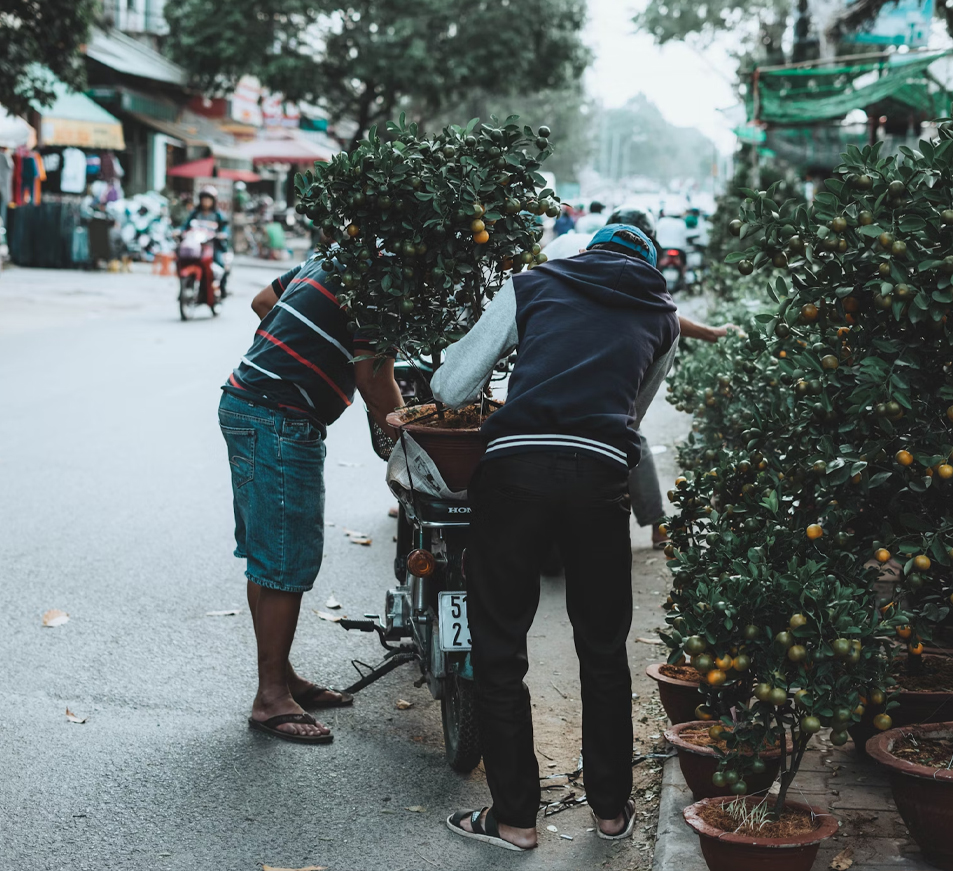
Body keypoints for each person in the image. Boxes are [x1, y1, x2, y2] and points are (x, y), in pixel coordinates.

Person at [433, 225, 680, 850]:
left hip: (514, 476)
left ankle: (515, 818)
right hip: (599, 483)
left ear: (590, 249)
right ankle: (611, 812)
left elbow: (450, 388)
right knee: (602, 647)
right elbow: (633, 412)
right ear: (650, 264)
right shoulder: (663, 318)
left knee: (499, 644)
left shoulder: (533, 285)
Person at [219, 254, 403, 744]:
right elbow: (374, 380)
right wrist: (411, 438)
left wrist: (304, 354)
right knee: (285, 559)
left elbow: (264, 301)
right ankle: (271, 699)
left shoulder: (338, 257)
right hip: (278, 417)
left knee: (268, 554)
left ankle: (281, 677)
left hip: (246, 402)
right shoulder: (383, 281)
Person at [548, 206, 738, 548]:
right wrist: (710, 333)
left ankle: (655, 522)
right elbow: (662, 315)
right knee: (629, 431)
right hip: (575, 359)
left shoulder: (572, 250)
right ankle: (656, 524)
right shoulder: (602, 260)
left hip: (552, 356)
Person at [183, 186, 230, 296]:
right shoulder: (195, 213)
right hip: (197, 245)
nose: (206, 202)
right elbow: (185, 226)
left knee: (221, 264)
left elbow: (225, 228)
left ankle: (221, 289)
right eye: (204, 199)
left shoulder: (218, 215)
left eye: (208, 199)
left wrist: (223, 234)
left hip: (213, 245)